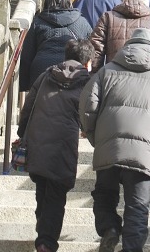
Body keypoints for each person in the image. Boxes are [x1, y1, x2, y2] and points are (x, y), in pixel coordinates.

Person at [79, 27, 150, 252]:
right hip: (145, 154)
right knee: (137, 207)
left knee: (104, 195)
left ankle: (109, 229)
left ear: (128, 46)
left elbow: (87, 108)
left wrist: (96, 138)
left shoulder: (106, 72)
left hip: (110, 146)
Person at [17, 38, 94, 252]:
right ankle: (46, 242)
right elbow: (92, 114)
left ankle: (43, 229)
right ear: (88, 62)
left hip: (38, 141)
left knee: (43, 189)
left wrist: (22, 134)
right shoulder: (89, 83)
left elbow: (28, 108)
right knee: (56, 194)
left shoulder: (45, 75)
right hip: (64, 145)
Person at [19, 0, 92, 91]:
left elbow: (27, 55)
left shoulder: (38, 22)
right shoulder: (82, 22)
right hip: (72, 71)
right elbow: (90, 51)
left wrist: (24, 85)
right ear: (68, 1)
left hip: (41, 71)